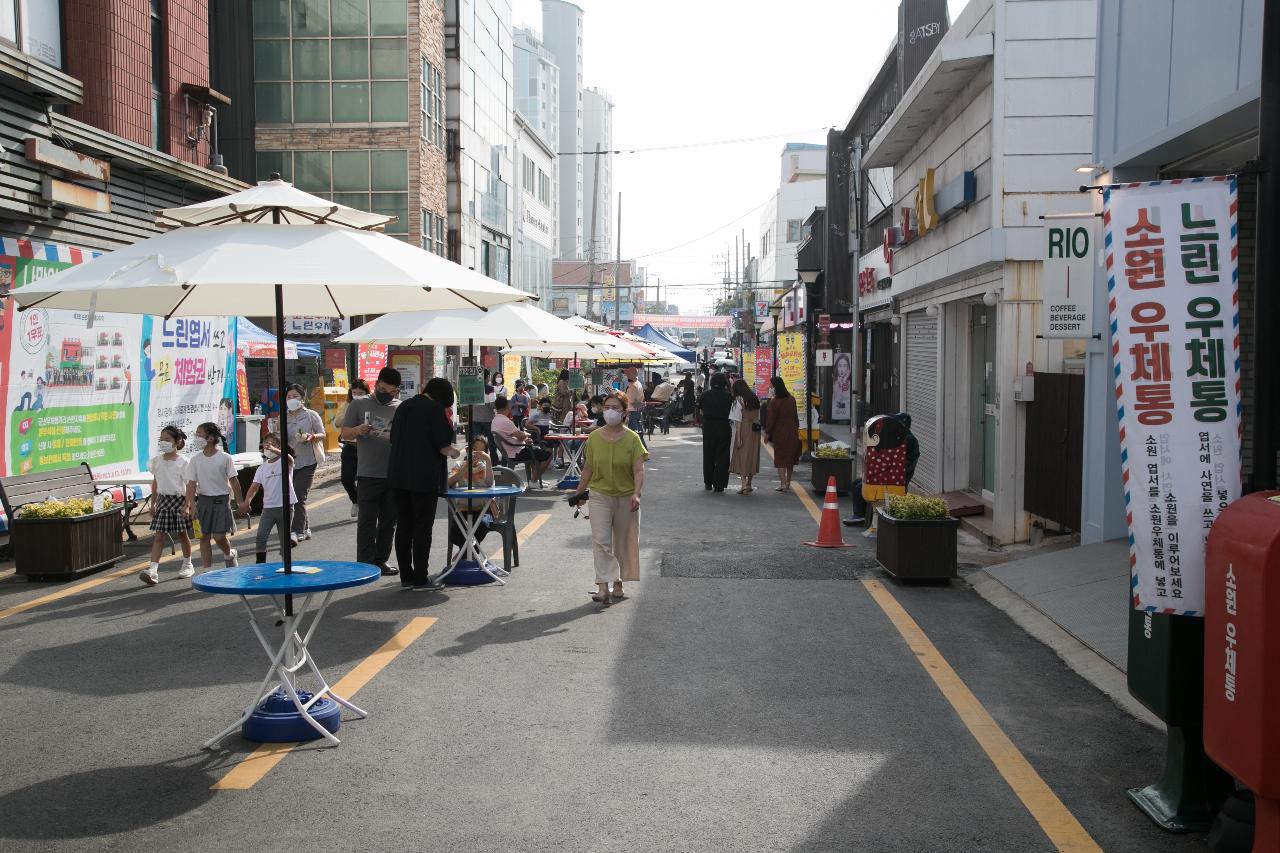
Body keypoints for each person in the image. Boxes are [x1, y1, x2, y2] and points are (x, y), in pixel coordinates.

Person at [569, 390, 647, 607]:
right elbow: (588, 469)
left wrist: (636, 494)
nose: (610, 411)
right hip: (599, 495)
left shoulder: (633, 439)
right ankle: (603, 586)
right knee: (601, 541)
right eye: (607, 407)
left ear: (624, 412)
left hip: (626, 497)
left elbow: (639, 470)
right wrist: (578, 494)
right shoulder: (594, 437)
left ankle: (619, 581)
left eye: (615, 408)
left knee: (623, 543)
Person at [388, 376, 459, 590]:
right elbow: (443, 446)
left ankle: (407, 577)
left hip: (398, 475)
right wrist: (458, 452)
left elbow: (393, 438)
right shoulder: (434, 409)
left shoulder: (404, 406)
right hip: (423, 477)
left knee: (404, 526)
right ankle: (421, 578)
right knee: (422, 528)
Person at [340, 366, 402, 577]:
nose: (388, 395)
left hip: (393, 473)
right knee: (367, 519)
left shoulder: (399, 407)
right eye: (384, 390)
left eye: (393, 392)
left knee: (389, 520)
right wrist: (358, 430)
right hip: (368, 472)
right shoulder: (359, 404)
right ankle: (364, 563)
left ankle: (381, 560)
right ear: (377, 384)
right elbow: (345, 432)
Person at [184, 421, 244, 570]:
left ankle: (229, 553)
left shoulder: (225, 458)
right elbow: (191, 484)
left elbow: (234, 481)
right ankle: (207, 570)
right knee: (203, 537)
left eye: (199, 434)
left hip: (221, 501)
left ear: (210, 438)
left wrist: (241, 501)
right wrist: (191, 505)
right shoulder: (195, 460)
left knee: (219, 537)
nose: (196, 437)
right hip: (203, 501)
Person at [140, 425, 194, 585]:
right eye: (161, 439)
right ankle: (153, 571)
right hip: (163, 501)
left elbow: (189, 485)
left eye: (167, 440)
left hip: (178, 501)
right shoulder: (157, 461)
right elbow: (155, 483)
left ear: (177, 442)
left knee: (182, 535)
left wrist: (187, 505)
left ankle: (187, 564)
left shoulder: (183, 461)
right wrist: (153, 503)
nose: (163, 442)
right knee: (158, 536)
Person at [239, 433, 298, 563]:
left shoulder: (285, 462)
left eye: (273, 444)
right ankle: (260, 565)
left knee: (284, 540)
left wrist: (273, 449)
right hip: (269, 508)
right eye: (266, 444)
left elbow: (288, 457)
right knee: (261, 536)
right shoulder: (262, 468)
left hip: (286, 506)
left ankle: (287, 565)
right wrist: (247, 501)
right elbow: (254, 486)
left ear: (279, 446)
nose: (269, 447)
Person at [447, 435, 497, 568]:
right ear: (468, 450)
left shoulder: (485, 467)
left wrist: (488, 461)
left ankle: (465, 554)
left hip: (483, 509)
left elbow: (489, 483)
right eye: (474, 449)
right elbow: (448, 483)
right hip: (464, 508)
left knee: (481, 526)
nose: (476, 454)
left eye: (481, 451)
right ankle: (468, 552)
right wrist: (464, 468)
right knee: (455, 533)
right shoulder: (459, 465)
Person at [284, 383, 325, 541]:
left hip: (308, 461)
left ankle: (297, 531)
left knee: (299, 496)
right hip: (289, 462)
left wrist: (312, 437)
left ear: (303, 399)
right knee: (292, 495)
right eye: (289, 397)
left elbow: (323, 434)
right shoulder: (283, 416)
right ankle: (305, 527)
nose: (292, 399)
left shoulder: (311, 415)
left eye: (295, 396)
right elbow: (279, 437)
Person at [492, 395, 552, 478]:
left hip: (511, 450)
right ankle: (535, 479)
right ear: (507, 406)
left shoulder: (495, 420)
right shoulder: (505, 421)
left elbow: (511, 436)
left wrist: (523, 438)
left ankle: (534, 479)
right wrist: (526, 435)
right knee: (547, 454)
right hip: (516, 452)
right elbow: (520, 435)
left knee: (535, 450)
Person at [337, 379, 370, 517]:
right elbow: (338, 422)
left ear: (367, 392)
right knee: (346, 479)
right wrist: (351, 416)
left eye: (360, 393)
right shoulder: (347, 405)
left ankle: (367, 506)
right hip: (350, 446)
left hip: (367, 447)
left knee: (365, 480)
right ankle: (355, 500)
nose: (357, 395)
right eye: (354, 392)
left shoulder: (371, 404)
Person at [764, 375, 801, 492]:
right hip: (792, 429)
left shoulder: (774, 402)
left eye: (771, 386)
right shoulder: (792, 399)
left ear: (775, 387)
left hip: (780, 431)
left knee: (780, 458)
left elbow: (771, 419)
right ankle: (788, 483)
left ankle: (783, 484)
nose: (770, 387)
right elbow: (795, 416)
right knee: (791, 457)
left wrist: (767, 433)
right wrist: (797, 428)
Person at [697, 373, 733, 492]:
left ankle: (708, 482)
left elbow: (700, 411)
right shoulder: (729, 396)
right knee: (723, 456)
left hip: (709, 427)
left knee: (708, 455)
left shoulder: (705, 395)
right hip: (723, 426)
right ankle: (719, 484)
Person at [730, 379, 762, 494]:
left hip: (744, 428)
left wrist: (738, 437)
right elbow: (758, 415)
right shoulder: (754, 398)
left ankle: (743, 484)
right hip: (755, 429)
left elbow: (737, 421)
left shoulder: (738, 400)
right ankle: (749, 484)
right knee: (753, 455)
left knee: (742, 455)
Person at [625, 370, 648, 447]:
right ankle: (644, 449)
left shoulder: (633, 386)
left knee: (634, 434)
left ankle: (640, 451)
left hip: (633, 411)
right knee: (638, 433)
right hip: (638, 410)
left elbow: (631, 400)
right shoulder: (639, 384)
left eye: (627, 374)